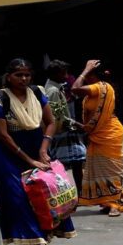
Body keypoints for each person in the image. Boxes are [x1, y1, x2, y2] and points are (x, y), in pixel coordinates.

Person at [0, 58, 76, 245]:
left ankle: (41, 239)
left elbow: (51, 122)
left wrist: (43, 150)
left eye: (27, 74)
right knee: (19, 200)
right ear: (9, 76)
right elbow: (2, 134)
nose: (24, 78)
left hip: (37, 147)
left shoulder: (37, 92)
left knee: (45, 196)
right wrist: (29, 160)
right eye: (19, 75)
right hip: (10, 154)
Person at [71, 59, 123, 217]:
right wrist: (81, 126)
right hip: (98, 133)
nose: (86, 77)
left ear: (93, 75)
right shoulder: (94, 91)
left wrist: (84, 71)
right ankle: (107, 201)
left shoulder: (101, 87)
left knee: (112, 169)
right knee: (101, 170)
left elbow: (75, 88)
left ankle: (116, 204)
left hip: (110, 133)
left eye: (88, 74)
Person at [44, 59, 86, 193]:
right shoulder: (53, 91)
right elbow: (57, 115)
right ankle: (77, 192)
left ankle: (77, 192)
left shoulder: (54, 87)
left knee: (72, 164)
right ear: (56, 74)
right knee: (74, 163)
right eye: (63, 73)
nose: (66, 76)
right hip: (63, 132)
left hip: (63, 130)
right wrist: (76, 124)